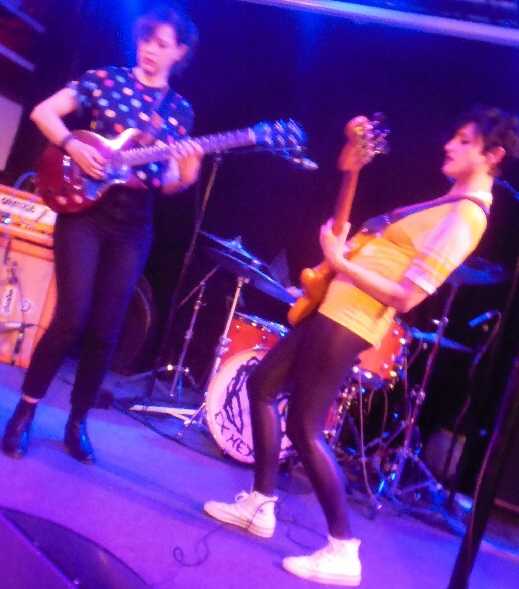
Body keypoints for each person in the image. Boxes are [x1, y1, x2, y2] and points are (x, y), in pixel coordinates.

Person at [203, 106, 519, 586]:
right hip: (334, 305)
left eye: (464, 140)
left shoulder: (465, 216)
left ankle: (343, 549)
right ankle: (260, 503)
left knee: (305, 427)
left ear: (492, 155)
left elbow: (407, 296)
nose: (449, 145)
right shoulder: (447, 202)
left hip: (350, 319)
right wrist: (350, 190)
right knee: (263, 384)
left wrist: (341, 264)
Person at [2, 3, 203, 463]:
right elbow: (44, 112)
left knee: (106, 329)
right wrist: (72, 143)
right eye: (146, 40)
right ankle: (25, 411)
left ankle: (77, 421)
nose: (150, 50)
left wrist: (187, 174)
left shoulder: (179, 111)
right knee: (71, 317)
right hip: (85, 212)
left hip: (134, 221)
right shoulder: (105, 80)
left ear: (179, 52)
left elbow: (170, 181)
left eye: (162, 45)